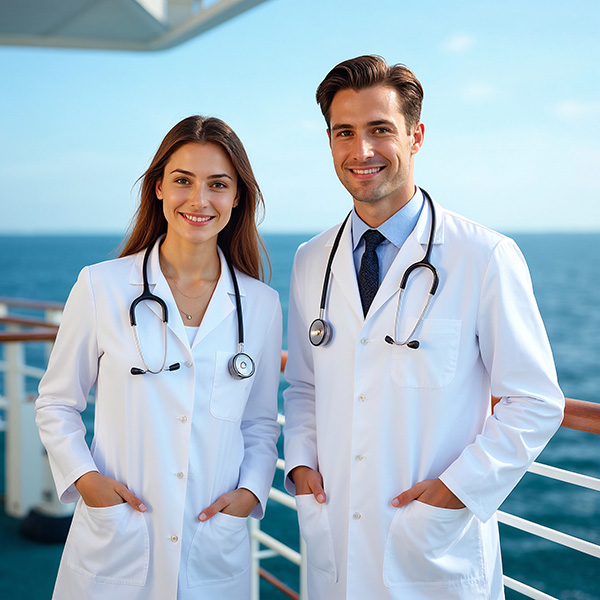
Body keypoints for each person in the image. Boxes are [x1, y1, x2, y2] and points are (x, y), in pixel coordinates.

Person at [283, 55, 564, 600]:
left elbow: (535, 402)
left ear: (416, 136)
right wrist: (298, 463)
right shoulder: (310, 260)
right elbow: (303, 384)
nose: (360, 151)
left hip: (434, 553)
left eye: (380, 130)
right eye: (345, 132)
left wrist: (456, 492)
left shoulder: (484, 256)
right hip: (336, 539)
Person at [35, 115, 282, 600]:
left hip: (212, 541)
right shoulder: (101, 286)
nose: (199, 200)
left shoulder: (261, 305)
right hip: (119, 541)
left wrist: (251, 491)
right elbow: (57, 403)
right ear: (159, 190)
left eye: (218, 184)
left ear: (237, 198)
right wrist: (86, 481)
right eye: (183, 181)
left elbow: (259, 422)